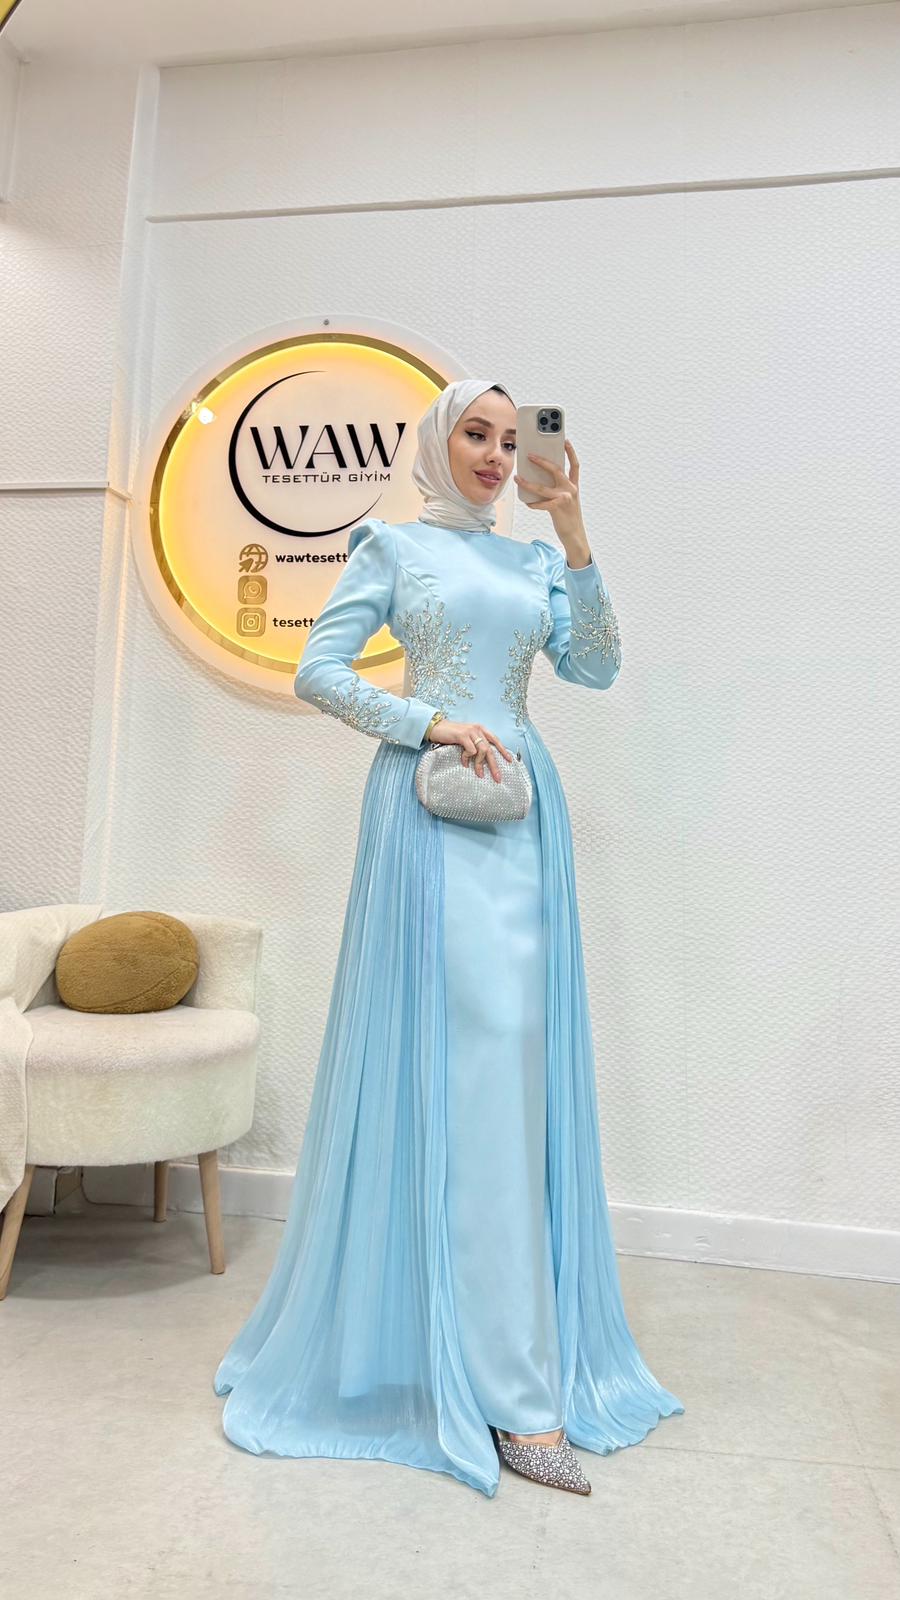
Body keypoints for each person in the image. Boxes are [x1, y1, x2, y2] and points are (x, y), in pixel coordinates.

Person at [213, 377, 684, 1498]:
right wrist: (429, 720)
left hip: (520, 822)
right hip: (428, 816)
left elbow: (598, 666)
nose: (495, 454)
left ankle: (514, 1369)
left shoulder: (532, 561)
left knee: (510, 1075)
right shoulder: (393, 547)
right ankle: (468, 1372)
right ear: (439, 440)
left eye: (512, 440)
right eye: (476, 433)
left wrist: (574, 530)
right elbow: (318, 670)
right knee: (442, 1070)